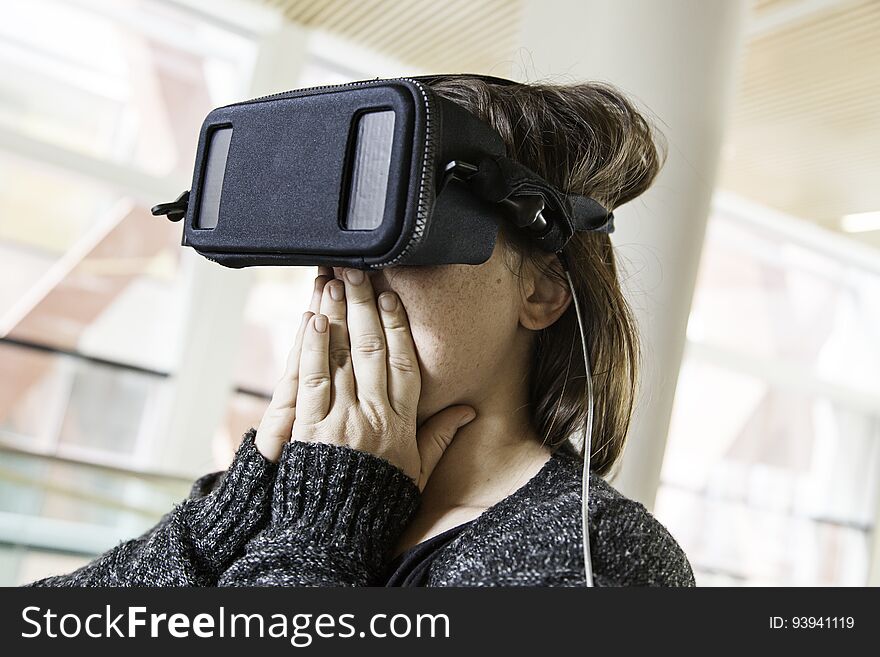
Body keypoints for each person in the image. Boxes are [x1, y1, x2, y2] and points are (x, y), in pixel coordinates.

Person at [26, 76, 695, 587]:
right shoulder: (304, 495)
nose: (342, 280)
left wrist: (318, 541)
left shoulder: (598, 561)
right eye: (337, 245)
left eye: (399, 239)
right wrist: (231, 517)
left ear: (543, 289)